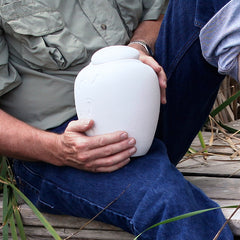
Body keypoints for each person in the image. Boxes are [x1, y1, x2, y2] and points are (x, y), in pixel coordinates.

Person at [0, 0, 235, 239]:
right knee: (167, 202)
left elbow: (157, 13)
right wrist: (59, 149)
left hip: (149, 104)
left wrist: (139, 48)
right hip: (61, 147)